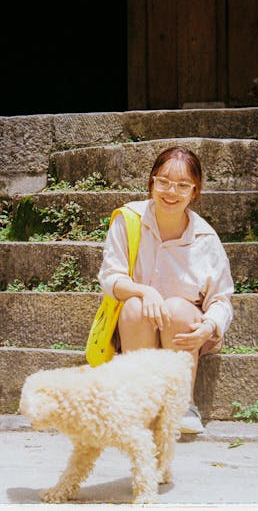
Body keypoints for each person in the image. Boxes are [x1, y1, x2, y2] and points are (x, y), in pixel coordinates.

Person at [98, 146, 234, 434]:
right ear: (152, 181)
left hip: (182, 332)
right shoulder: (129, 219)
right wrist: (145, 292)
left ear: (195, 192)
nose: (171, 192)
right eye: (163, 182)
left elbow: (221, 299)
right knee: (135, 305)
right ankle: (140, 403)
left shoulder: (205, 238)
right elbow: (111, 278)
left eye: (183, 185)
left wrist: (208, 328)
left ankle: (182, 404)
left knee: (177, 308)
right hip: (137, 328)